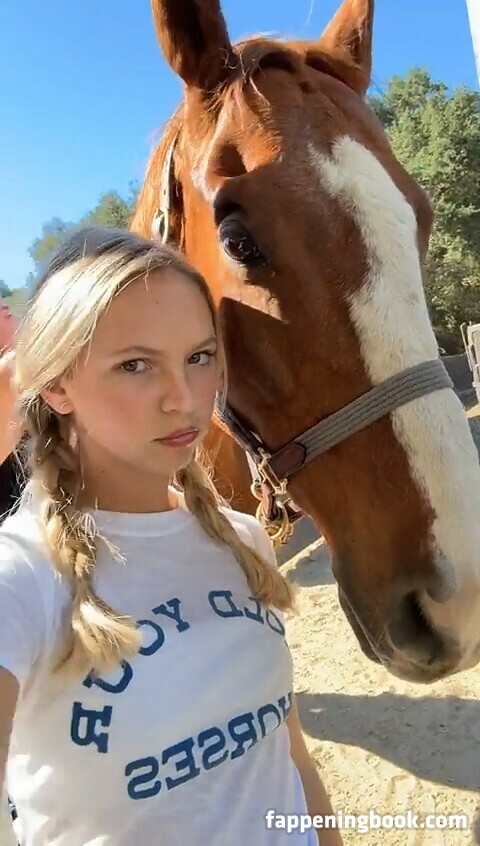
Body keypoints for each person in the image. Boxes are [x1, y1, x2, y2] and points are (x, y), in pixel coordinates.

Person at [0, 227, 343, 846]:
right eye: (135, 365)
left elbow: (290, 759)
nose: (184, 399)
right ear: (56, 386)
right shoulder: (21, 578)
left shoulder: (242, 541)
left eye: (200, 356)